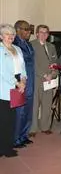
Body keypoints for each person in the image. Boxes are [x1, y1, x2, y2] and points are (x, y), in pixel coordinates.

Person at [0, 24, 27, 157]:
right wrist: (17, 83)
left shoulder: (18, 49)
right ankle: (2, 148)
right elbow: (3, 72)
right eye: (6, 34)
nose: (10, 36)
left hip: (18, 84)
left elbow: (23, 67)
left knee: (12, 118)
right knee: (3, 119)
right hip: (4, 88)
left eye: (12, 34)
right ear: (1, 36)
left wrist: (23, 80)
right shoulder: (0, 50)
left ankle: (8, 146)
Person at [29, 25, 58, 137]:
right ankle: (32, 129)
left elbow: (55, 61)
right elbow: (33, 64)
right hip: (36, 79)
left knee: (47, 104)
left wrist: (53, 74)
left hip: (49, 80)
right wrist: (44, 75)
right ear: (37, 33)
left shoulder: (51, 46)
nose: (44, 34)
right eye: (41, 32)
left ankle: (45, 127)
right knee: (34, 106)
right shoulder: (31, 45)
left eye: (46, 33)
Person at [13, 20, 35, 148]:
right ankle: (16, 139)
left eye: (29, 29)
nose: (29, 32)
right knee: (19, 112)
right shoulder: (14, 44)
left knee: (28, 111)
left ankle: (24, 135)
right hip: (20, 83)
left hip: (30, 81)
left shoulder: (29, 45)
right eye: (26, 29)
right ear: (18, 30)